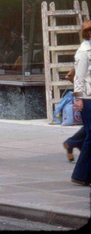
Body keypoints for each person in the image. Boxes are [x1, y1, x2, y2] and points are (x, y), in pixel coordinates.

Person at [69, 20, 91, 185]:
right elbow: (79, 78)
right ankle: (80, 175)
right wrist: (78, 98)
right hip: (87, 98)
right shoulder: (84, 51)